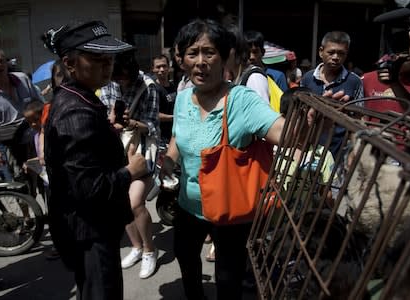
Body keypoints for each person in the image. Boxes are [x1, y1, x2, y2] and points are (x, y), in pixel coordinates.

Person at [159, 18, 285, 300]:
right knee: (187, 262)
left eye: (209, 52)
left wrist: (308, 123)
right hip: (188, 205)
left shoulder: (243, 100)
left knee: (228, 281)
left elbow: (284, 132)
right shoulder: (182, 97)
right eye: (193, 53)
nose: (201, 61)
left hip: (231, 212)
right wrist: (168, 160)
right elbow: (178, 136)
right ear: (182, 59)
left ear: (225, 56)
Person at [41, 20, 147, 300]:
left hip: (89, 228)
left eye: (109, 58)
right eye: (96, 58)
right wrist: (130, 171)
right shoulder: (76, 111)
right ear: (70, 64)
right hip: (91, 231)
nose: (106, 65)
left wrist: (108, 127)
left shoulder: (79, 97)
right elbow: (89, 188)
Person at [102, 51, 160, 279]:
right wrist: (112, 122)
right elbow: (106, 116)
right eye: (117, 77)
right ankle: (136, 246)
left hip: (142, 149)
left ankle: (149, 250)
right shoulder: (107, 84)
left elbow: (153, 126)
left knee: (134, 202)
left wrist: (133, 123)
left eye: (125, 76)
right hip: (117, 149)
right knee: (118, 202)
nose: (120, 82)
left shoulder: (148, 86)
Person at [0, 49, 42, 181]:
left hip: (33, 139)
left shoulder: (22, 79)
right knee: (19, 181)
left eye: (0, 61)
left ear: (6, 63)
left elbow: (39, 105)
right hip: (9, 144)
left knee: (42, 178)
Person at [300, 31, 364, 157]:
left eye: (341, 53)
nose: (336, 57)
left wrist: (354, 151)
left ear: (346, 55)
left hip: (338, 150)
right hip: (308, 147)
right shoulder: (308, 78)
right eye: (331, 52)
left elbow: (358, 118)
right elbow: (301, 112)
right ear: (321, 51)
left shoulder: (354, 81)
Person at [151, 54, 177, 144]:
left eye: (164, 66)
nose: (161, 70)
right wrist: (174, 118)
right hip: (162, 138)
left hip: (175, 134)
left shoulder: (173, 86)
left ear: (169, 68)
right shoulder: (153, 89)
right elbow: (154, 114)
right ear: (153, 69)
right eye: (158, 67)